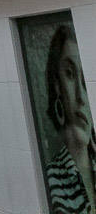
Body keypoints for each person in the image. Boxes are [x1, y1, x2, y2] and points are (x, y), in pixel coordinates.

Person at [44, 24, 96, 214]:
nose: (81, 97)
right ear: (57, 85)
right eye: (70, 74)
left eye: (86, 80)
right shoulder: (51, 178)